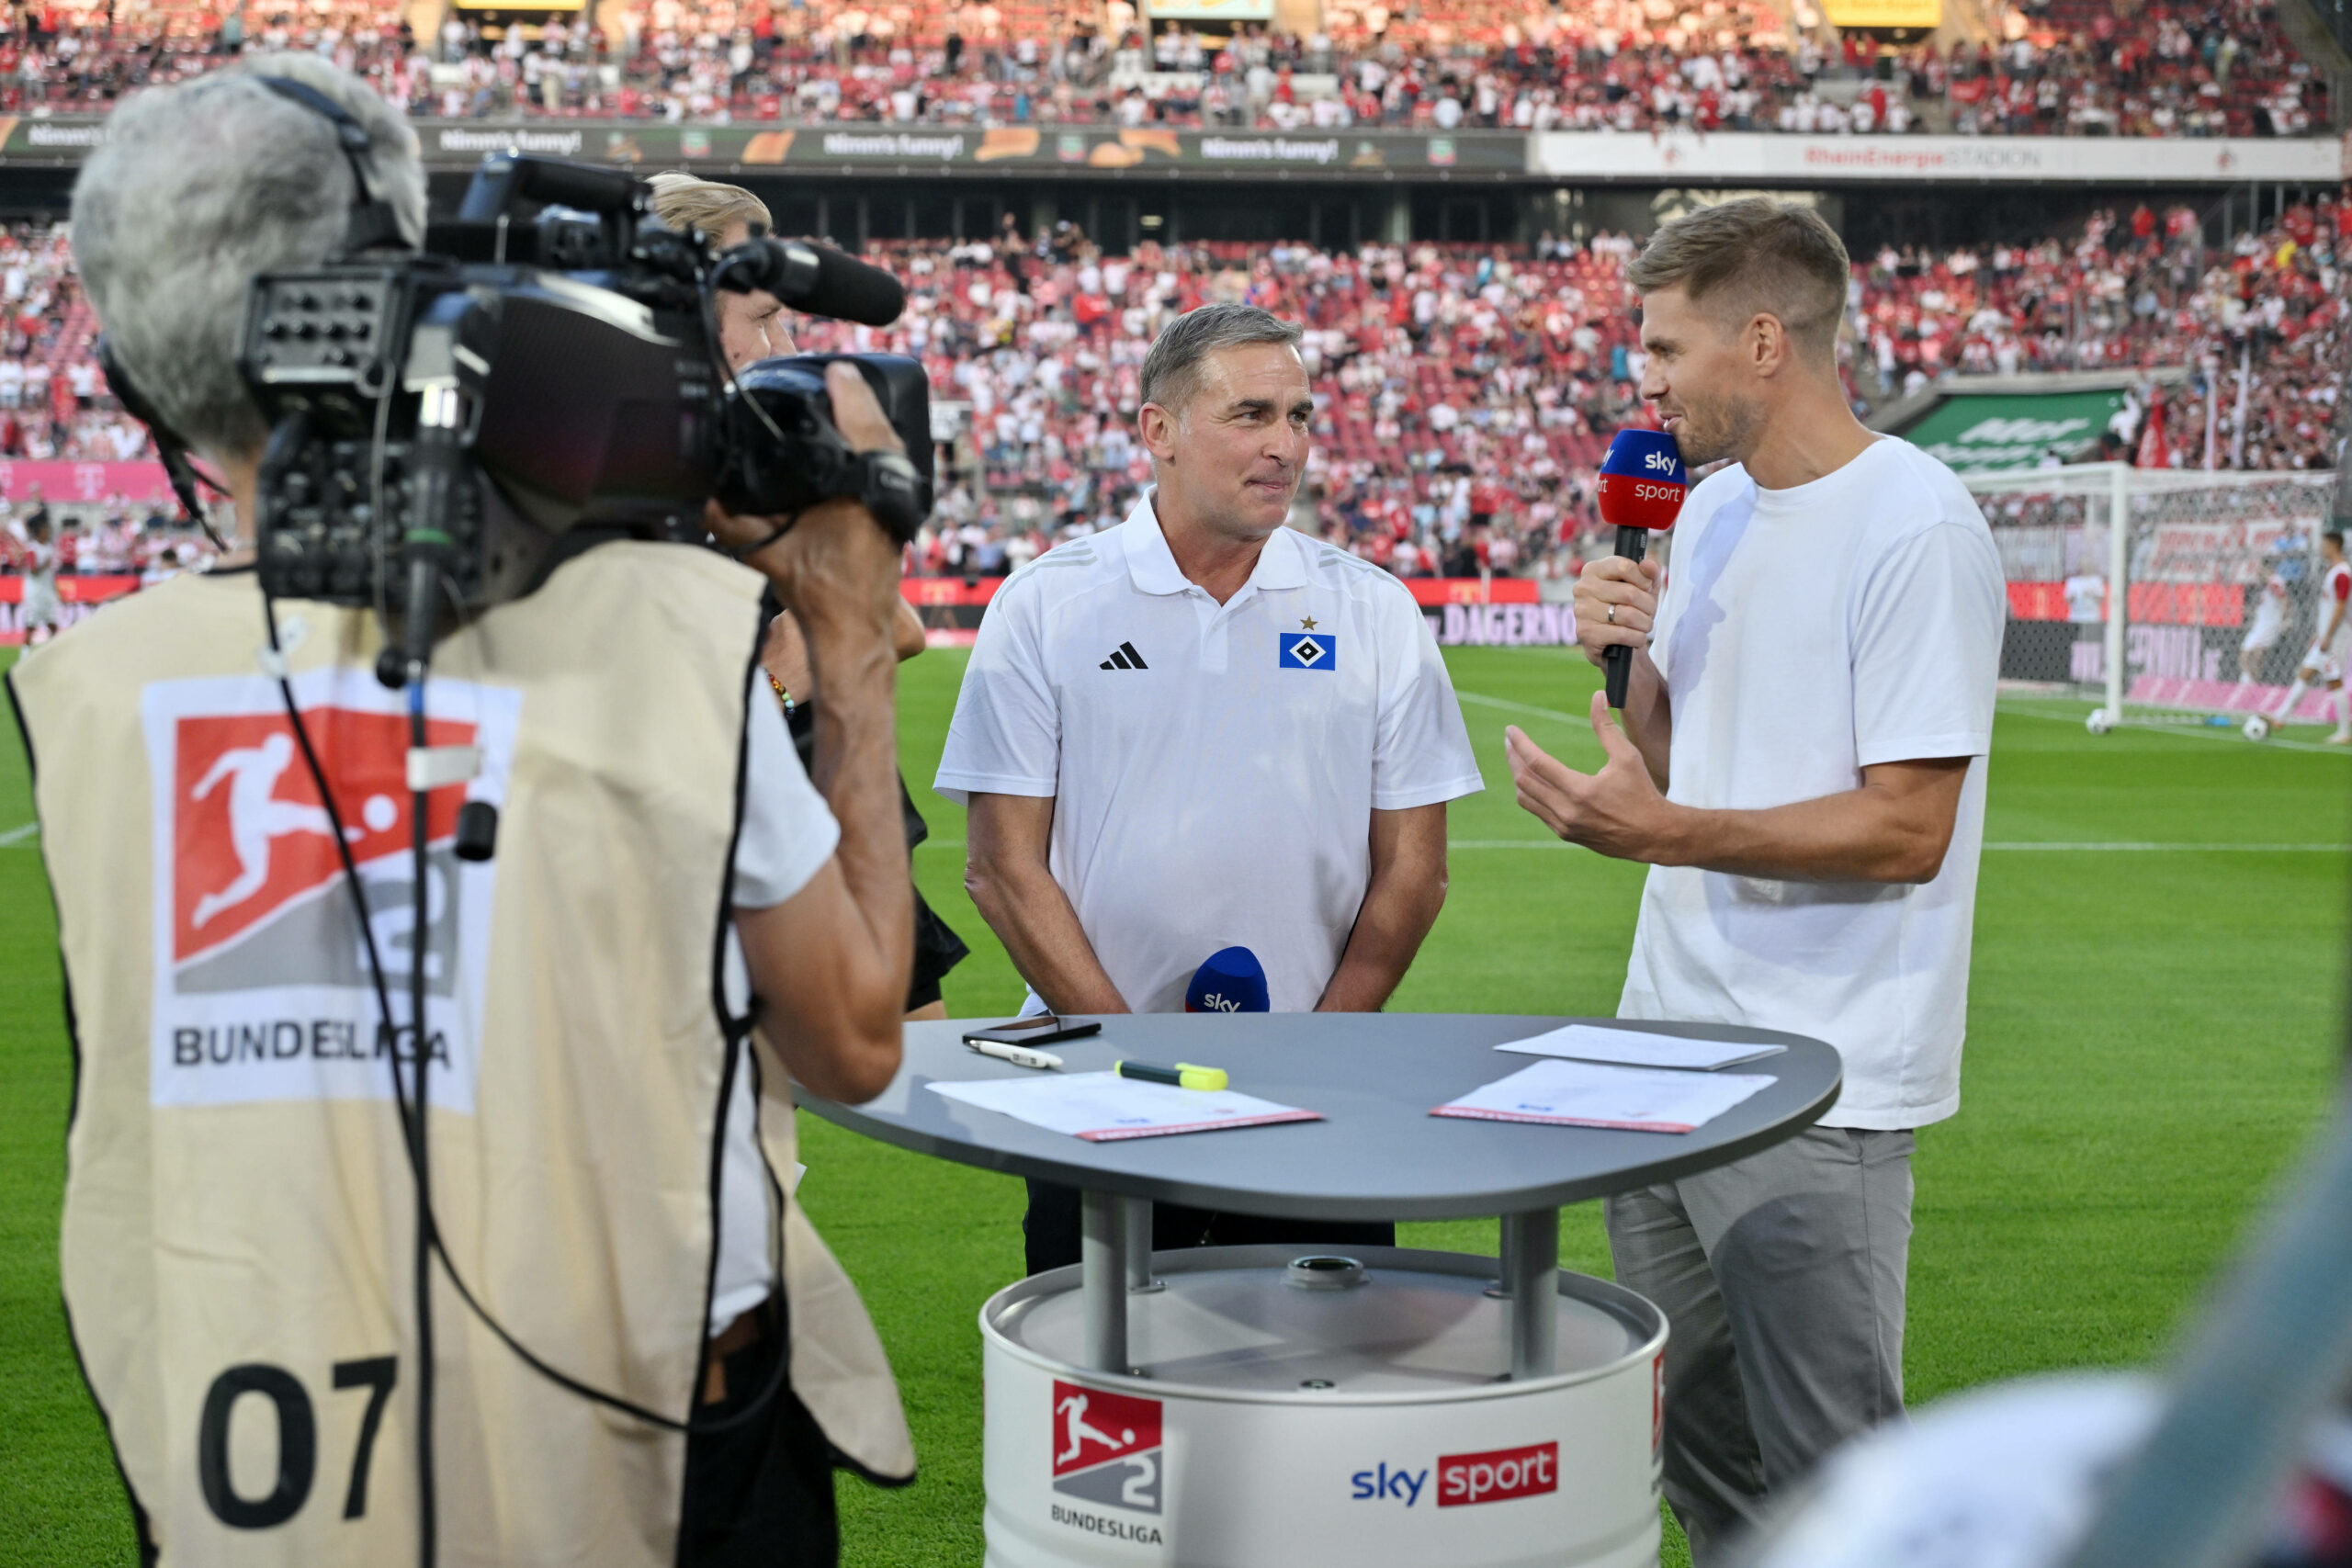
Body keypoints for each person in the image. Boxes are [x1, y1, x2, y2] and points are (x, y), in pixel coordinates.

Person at [21, 58, 916, 1566]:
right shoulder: (659, 635)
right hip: (644, 1443)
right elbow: (853, 1036)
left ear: (132, 365)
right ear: (400, 286)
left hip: (270, 1454)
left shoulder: (93, 691)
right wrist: (844, 635)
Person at [1506, 198, 2004, 1563]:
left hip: (1820, 1074)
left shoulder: (1916, 527)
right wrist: (1637, 672)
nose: (1644, 380)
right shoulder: (1710, 507)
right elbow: (1690, 766)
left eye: (1665, 347)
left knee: (1839, 1469)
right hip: (1666, 1050)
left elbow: (1906, 829)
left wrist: (1660, 836)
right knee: (1694, 1447)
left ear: (1766, 339)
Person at [936, 302, 1483, 1274]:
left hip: (1323, 1092)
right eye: (1252, 415)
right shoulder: (1047, 605)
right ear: (1159, 432)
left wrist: (1316, 1052)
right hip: (1094, 1087)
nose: (1287, 447)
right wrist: (1132, 1059)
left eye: (1302, 417)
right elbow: (1000, 867)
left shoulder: (1373, 610)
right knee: (1107, 1387)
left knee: (1321, 1389)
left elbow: (1414, 870)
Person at [647, 172, 968, 1016]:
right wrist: (790, 673)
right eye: (761, 319)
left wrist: (786, 670)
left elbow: (891, 629)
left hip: (805, 789)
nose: (786, 347)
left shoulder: (735, 472)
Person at [2263, 529, 2351, 742]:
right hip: (2325, 635)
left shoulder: (2342, 573)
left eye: (2323, 544)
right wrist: (2318, 634)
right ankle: (2280, 717)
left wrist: (2328, 635)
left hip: (2337, 635)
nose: (2321, 548)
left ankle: (2344, 731)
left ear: (2333, 545)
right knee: (2305, 673)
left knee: (2334, 680)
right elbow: (2329, 608)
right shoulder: (2333, 571)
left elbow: (2341, 606)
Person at [19, 513, 60, 645]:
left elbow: (51, 575)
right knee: (31, 625)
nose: (47, 533)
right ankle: (24, 656)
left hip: (47, 591)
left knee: (52, 623)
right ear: (38, 533)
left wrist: (57, 591)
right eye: (45, 531)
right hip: (34, 592)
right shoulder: (32, 548)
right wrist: (45, 564)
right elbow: (33, 570)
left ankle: (53, 651)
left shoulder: (49, 548)